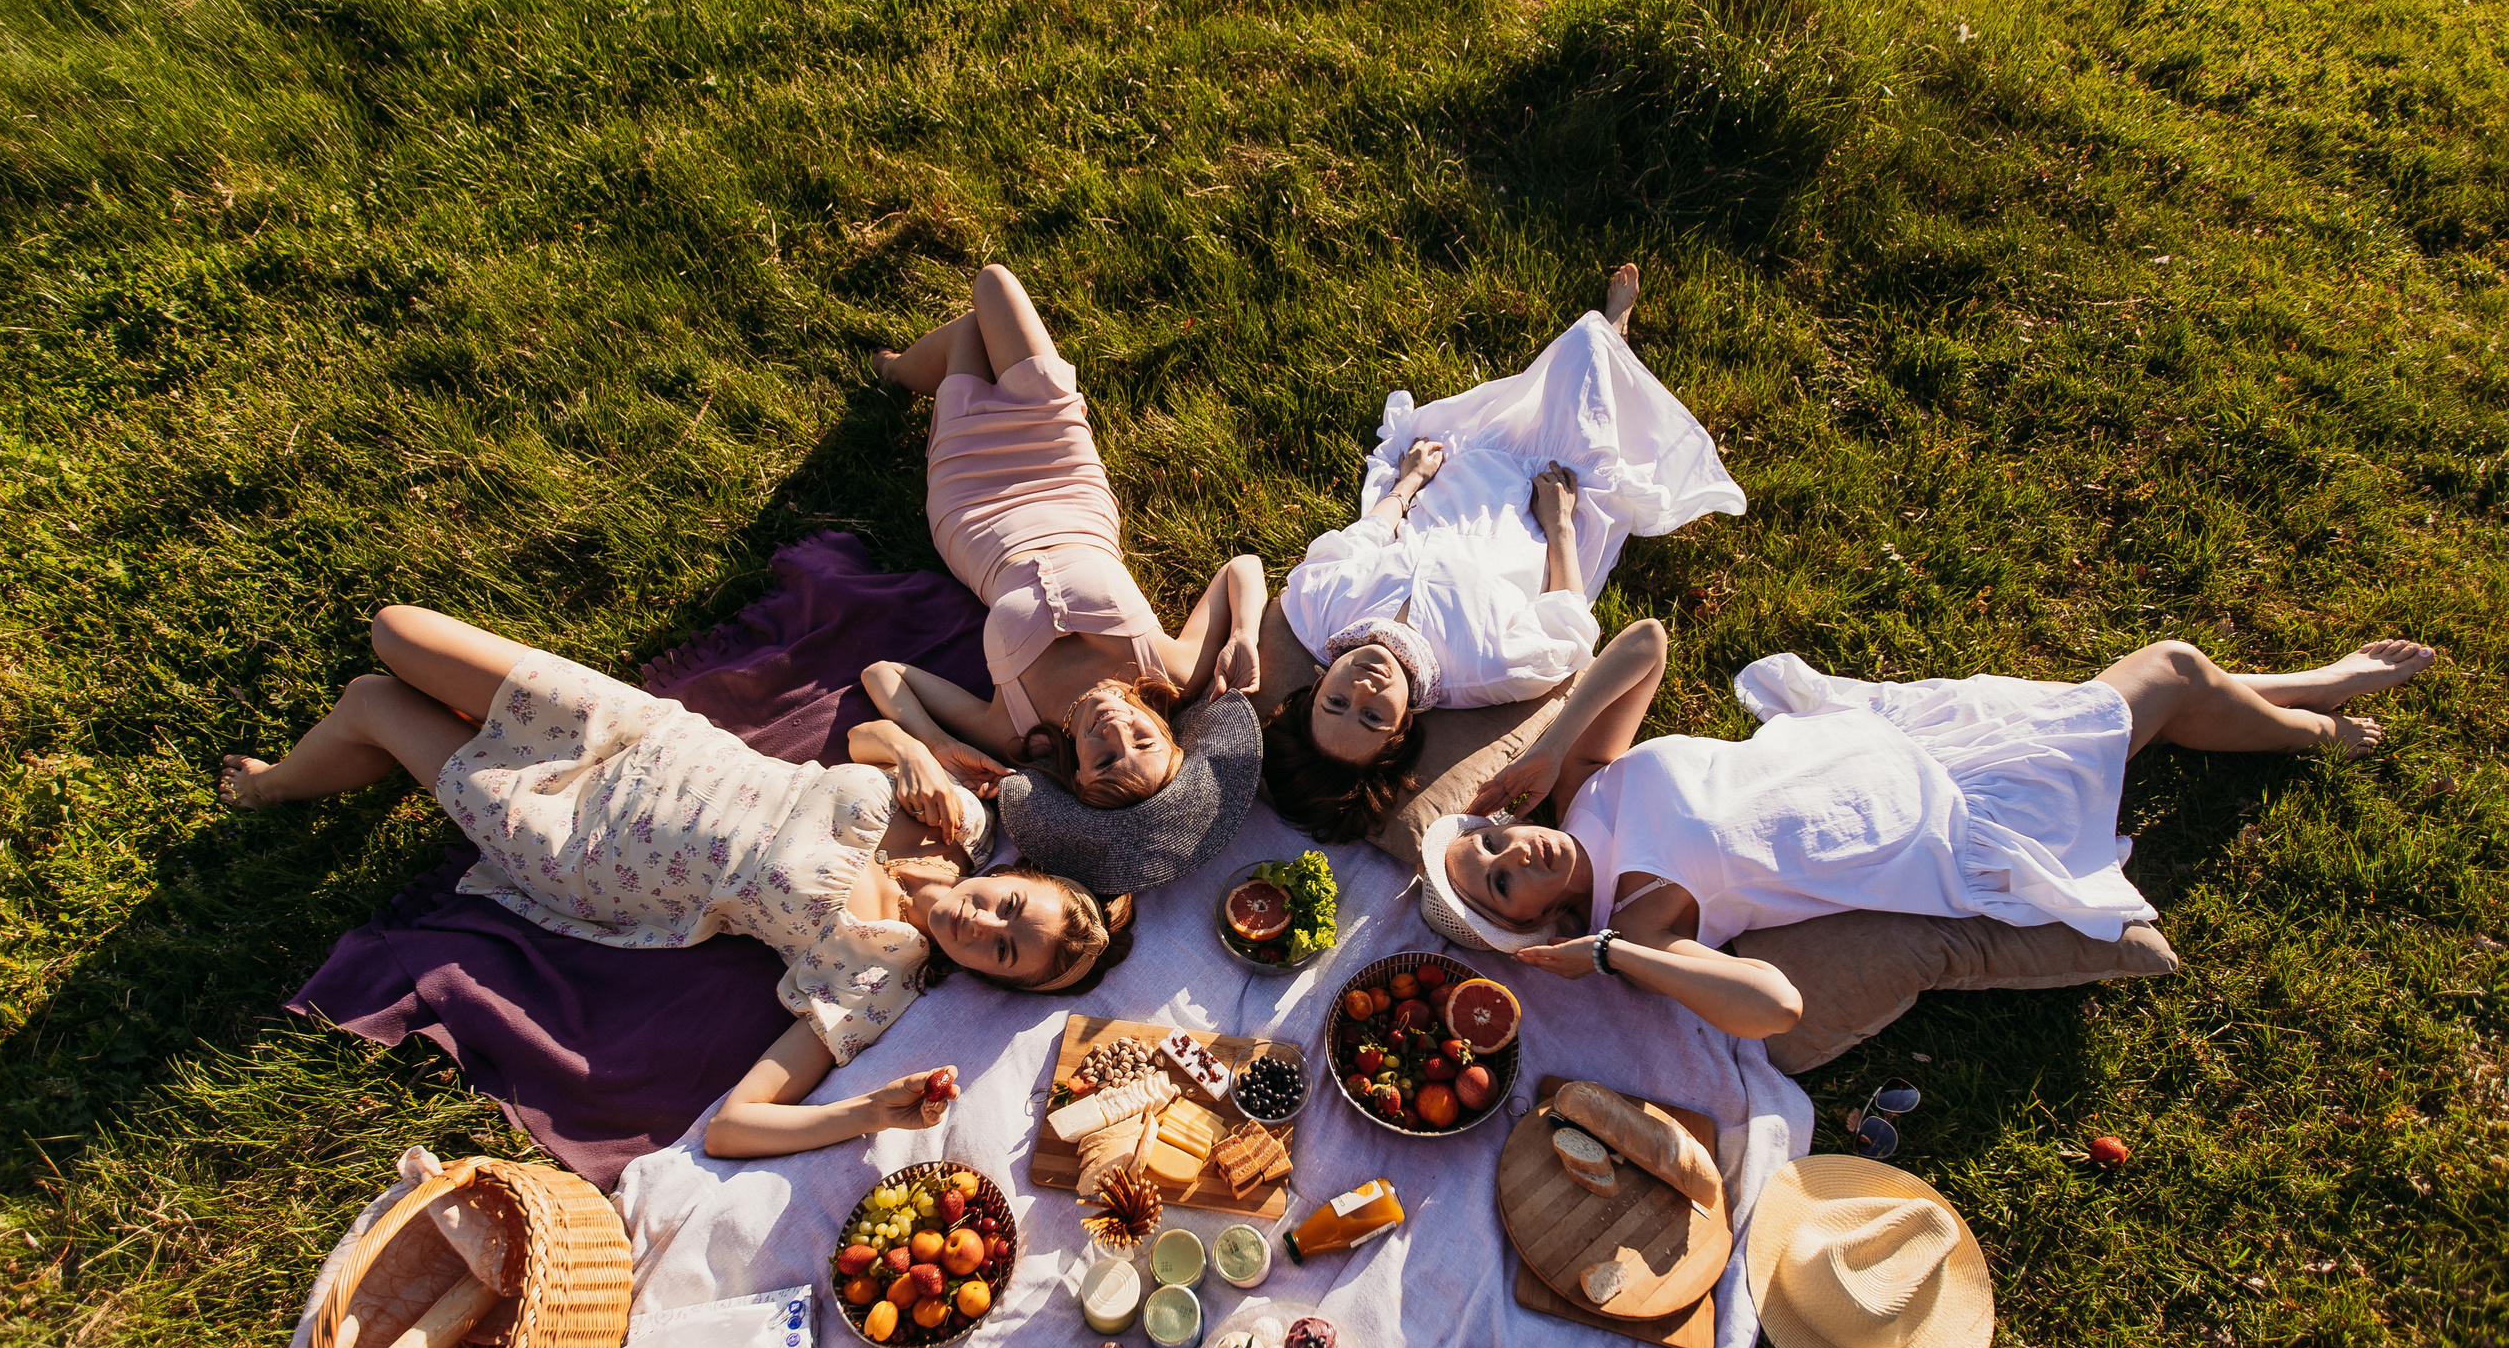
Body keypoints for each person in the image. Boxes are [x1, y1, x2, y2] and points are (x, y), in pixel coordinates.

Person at [217, 606, 1134, 1158]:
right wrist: (916, 753)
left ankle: (273, 787)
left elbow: (735, 1126)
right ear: (1022, 876)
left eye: (1007, 954)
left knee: (376, 702)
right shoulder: (963, 824)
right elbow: (861, 740)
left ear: (990, 978)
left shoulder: (874, 979)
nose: (988, 922)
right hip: (648, 738)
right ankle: (415, 742)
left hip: (590, 848)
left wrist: (866, 1112)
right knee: (394, 632)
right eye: (1015, 905)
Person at [1416, 631, 2438, 1039]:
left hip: (1912, 736)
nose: (1516, 854)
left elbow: (1644, 645)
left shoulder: (1588, 790)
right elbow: (1774, 1008)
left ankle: (2301, 696)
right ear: (1533, 924)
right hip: (1953, 818)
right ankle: (2308, 716)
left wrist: (1551, 747)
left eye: (1493, 842)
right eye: (1502, 885)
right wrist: (1607, 953)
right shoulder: (1643, 917)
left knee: (2160, 682)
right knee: (2163, 674)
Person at [1263, 264, 1747, 842]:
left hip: (1452, 480)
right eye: (1371, 716)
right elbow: (1568, 621)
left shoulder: (1315, 612)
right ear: (1400, 733)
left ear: (1316, 686)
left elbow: (1366, 536)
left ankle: (1597, 363)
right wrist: (1561, 522)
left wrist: (1409, 481)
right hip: (1531, 503)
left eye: (1336, 701)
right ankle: (1614, 331)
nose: (1363, 687)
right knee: (1586, 347)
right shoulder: (1491, 670)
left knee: (1553, 379)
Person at [862, 263, 1266, 821]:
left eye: (1104, 762)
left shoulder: (1015, 730)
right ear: (1168, 734)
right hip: (1064, 471)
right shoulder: (1173, 671)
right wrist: (1244, 633)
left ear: (1075, 770)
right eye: (1143, 743)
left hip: (973, 507)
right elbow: (1242, 566)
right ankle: (908, 369)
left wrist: (934, 743)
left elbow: (882, 675)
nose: (1116, 732)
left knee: (967, 337)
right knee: (994, 285)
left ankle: (899, 371)